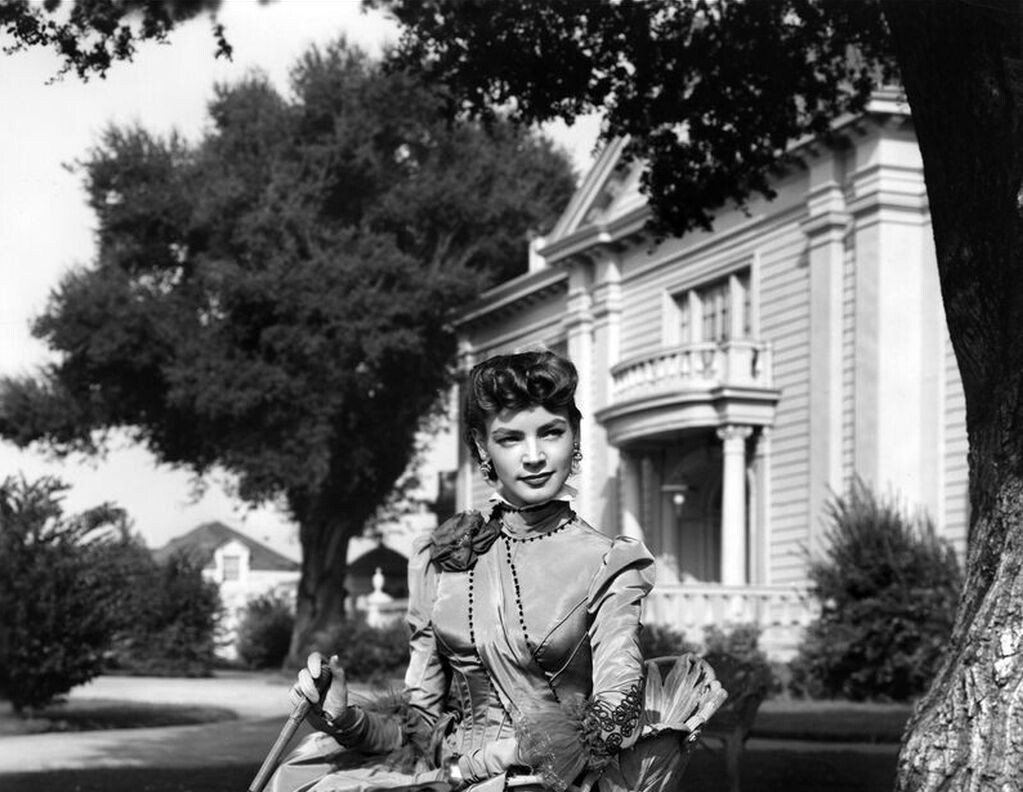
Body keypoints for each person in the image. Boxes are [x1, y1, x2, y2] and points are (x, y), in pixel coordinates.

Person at [270, 350, 656, 792]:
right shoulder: (442, 557)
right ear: (481, 446)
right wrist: (343, 715)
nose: (534, 456)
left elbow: (613, 721)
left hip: (544, 782)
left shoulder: (609, 562)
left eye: (551, 432)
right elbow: (418, 726)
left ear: (575, 436)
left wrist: (471, 769)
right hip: (443, 777)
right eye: (510, 439)